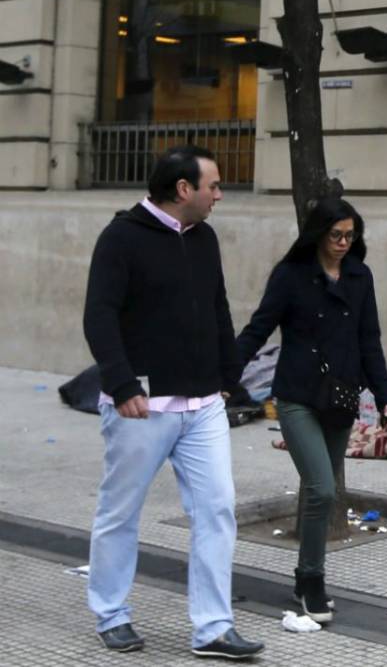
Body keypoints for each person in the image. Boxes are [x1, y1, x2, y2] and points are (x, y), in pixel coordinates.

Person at [82, 146, 264, 659]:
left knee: (217, 509)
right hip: (142, 406)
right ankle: (112, 615)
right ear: (184, 189)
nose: (219, 195)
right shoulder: (121, 238)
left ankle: (213, 629)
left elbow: (218, 307)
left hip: (204, 406)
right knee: (120, 512)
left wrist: (229, 376)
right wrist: (122, 386)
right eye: (213, 185)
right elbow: (99, 315)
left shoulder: (204, 238)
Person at [236, 197, 387, 623]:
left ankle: (305, 576)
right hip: (297, 396)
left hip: (340, 398)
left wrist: (385, 395)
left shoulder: (359, 276)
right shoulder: (291, 275)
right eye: (336, 235)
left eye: (350, 236)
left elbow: (369, 339)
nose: (343, 243)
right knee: (323, 488)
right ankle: (312, 581)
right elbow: (259, 327)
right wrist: (226, 373)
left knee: (316, 491)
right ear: (318, 234)